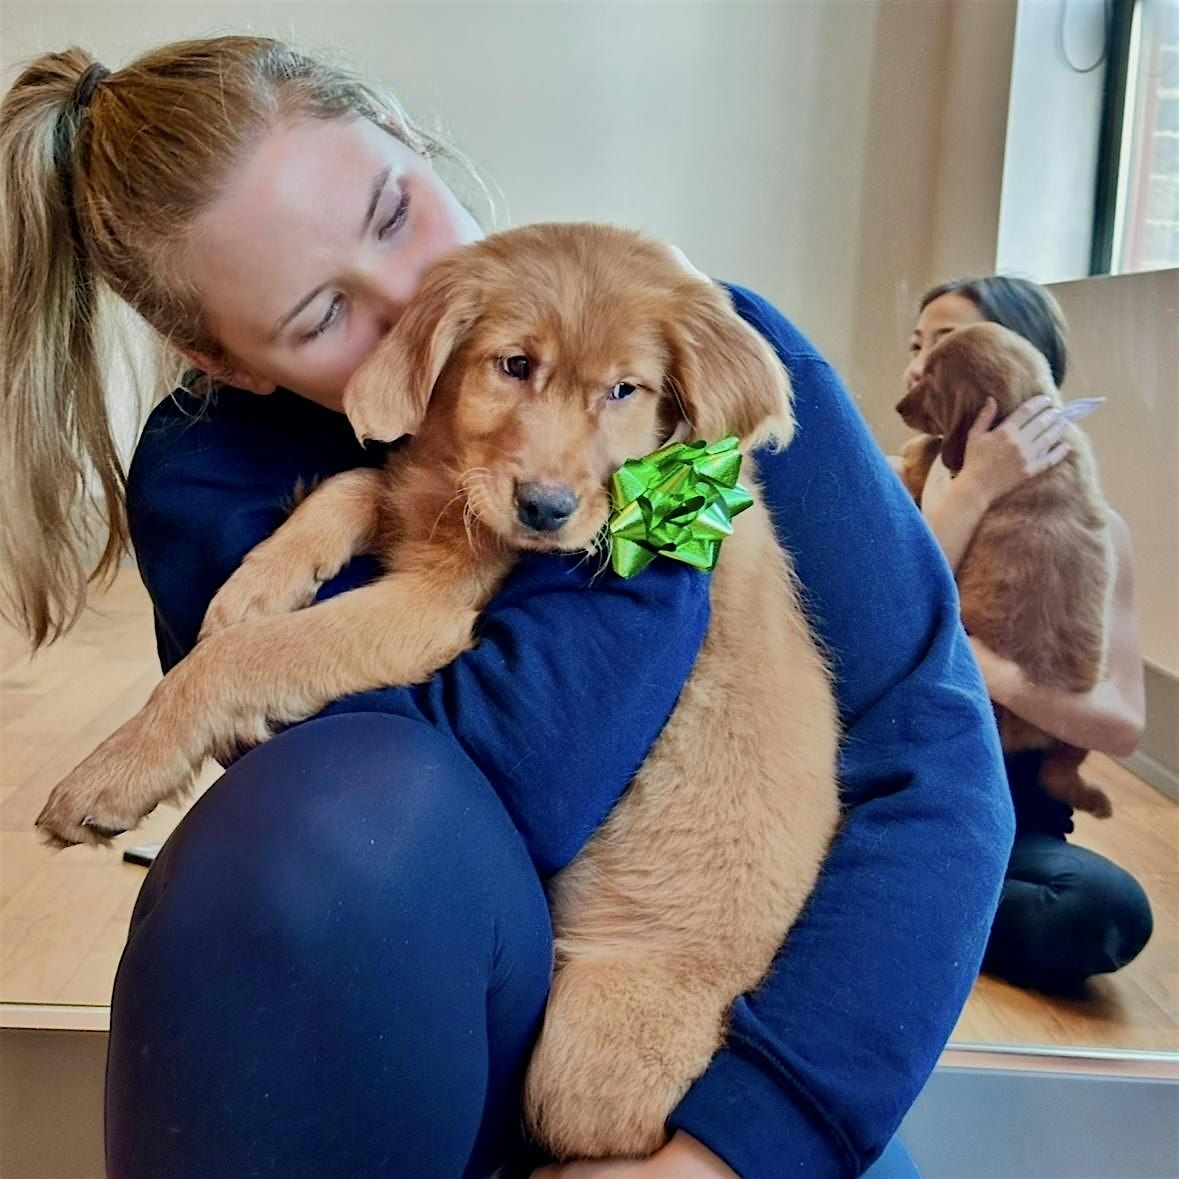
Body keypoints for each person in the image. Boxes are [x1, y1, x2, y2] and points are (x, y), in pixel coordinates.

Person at [0, 37, 1014, 1179]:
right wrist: (667, 511)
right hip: (424, 1047)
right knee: (333, 804)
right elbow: (510, 781)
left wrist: (740, 1146)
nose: (413, 299)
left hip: (738, 1061)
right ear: (223, 361)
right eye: (323, 313)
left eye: (393, 212)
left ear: (412, 139)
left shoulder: (701, 351)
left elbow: (936, 764)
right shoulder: (212, 479)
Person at [899, 276, 1153, 995]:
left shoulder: (1094, 530)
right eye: (915, 346)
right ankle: (902, 901)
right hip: (893, 798)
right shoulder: (894, 483)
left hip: (1011, 826)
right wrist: (970, 491)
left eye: (945, 345)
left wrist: (989, 671)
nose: (918, 367)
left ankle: (892, 908)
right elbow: (887, 626)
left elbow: (1121, 724)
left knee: (1103, 910)